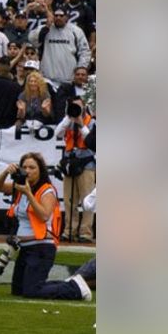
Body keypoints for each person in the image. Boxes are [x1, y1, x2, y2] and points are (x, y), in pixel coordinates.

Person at [0, 152, 90, 300]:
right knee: (18, 290)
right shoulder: (20, 186)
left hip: (41, 247)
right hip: (25, 248)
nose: (28, 171)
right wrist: (6, 171)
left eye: (32, 167)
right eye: (24, 167)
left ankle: (75, 289)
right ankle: (72, 282)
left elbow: (44, 216)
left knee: (32, 291)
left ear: (40, 170)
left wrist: (29, 194)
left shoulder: (46, 190)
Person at [56, 99, 96, 242]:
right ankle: (69, 230)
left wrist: (80, 122)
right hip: (70, 163)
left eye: (79, 106)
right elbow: (58, 133)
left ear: (84, 107)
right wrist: (68, 118)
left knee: (87, 199)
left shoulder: (91, 122)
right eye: (74, 106)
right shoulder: (67, 120)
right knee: (69, 200)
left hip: (87, 163)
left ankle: (86, 232)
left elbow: (91, 140)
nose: (76, 109)